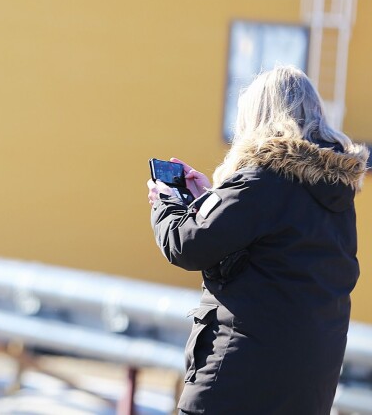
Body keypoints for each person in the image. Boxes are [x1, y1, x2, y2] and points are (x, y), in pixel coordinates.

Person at [146, 66, 368, 414]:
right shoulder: (335, 195)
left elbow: (185, 243)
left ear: (258, 118)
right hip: (306, 391)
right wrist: (211, 198)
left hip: (237, 385)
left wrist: (167, 203)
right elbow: (271, 248)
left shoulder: (262, 181)